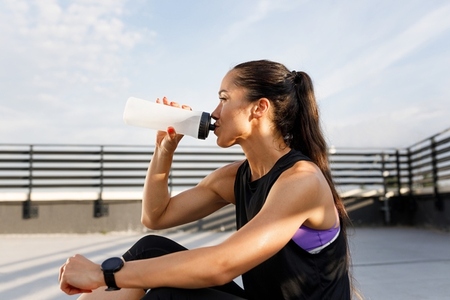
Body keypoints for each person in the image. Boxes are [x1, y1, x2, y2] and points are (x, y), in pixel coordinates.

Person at [59, 59, 353, 299]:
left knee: (169, 297)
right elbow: (156, 216)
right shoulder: (236, 177)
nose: (214, 113)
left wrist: (103, 274)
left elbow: (221, 264)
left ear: (259, 108)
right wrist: (164, 151)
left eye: (224, 99)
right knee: (150, 248)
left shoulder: (302, 180)